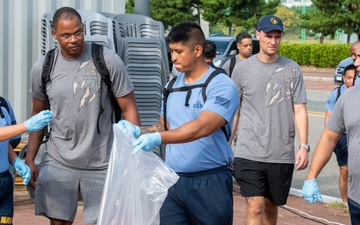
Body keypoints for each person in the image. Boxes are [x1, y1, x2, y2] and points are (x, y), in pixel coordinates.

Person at [25, 7, 140, 225]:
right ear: (54, 35)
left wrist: (133, 156)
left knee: (104, 221)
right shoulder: (43, 68)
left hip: (102, 161)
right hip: (59, 160)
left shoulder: (107, 60)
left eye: (78, 32)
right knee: (58, 221)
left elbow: (130, 108)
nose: (74, 39)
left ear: (84, 29)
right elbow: (37, 114)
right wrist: (30, 159)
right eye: (66, 35)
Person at [119, 21, 239, 224]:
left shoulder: (220, 85)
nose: (173, 57)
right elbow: (164, 126)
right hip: (173, 181)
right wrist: (140, 132)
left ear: (197, 50)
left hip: (210, 182)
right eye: (171, 51)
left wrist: (157, 138)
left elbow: (201, 127)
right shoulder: (172, 85)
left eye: (178, 51)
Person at [231, 15, 309, 225]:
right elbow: (234, 110)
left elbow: (299, 109)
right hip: (249, 150)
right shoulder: (241, 70)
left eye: (277, 36)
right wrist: (227, 143)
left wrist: (303, 146)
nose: (273, 41)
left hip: (280, 153)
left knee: (271, 206)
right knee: (255, 206)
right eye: (268, 36)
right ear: (258, 35)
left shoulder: (292, 69)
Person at [302, 48, 360, 224]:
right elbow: (329, 137)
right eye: (355, 58)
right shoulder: (348, 97)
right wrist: (311, 176)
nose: (356, 64)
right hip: (357, 198)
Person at [1, 96, 52, 225]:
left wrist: (17, 161)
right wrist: (27, 125)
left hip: (4, 181)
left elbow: (4, 140)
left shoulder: (3, 104)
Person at [324, 64, 355, 203]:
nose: (351, 81)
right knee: (345, 170)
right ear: (343, 78)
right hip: (341, 137)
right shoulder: (336, 94)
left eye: (354, 78)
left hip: (356, 135)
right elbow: (328, 119)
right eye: (348, 78)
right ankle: (345, 202)